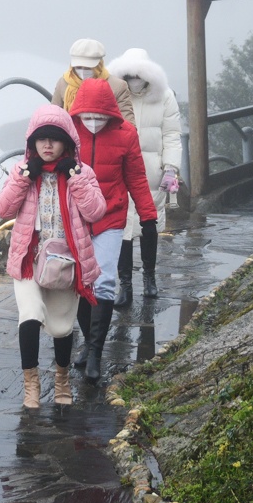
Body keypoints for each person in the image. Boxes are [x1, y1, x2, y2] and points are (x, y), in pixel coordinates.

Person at [0, 104, 105, 408]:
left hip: (65, 264)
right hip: (28, 260)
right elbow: (2, 209)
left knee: (61, 328)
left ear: (66, 142)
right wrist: (22, 179)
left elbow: (96, 211)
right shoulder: (23, 172)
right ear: (32, 143)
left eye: (53, 139)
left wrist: (77, 178)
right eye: (41, 139)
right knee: (29, 316)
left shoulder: (81, 173)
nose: (47, 145)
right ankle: (31, 385)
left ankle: (61, 379)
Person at [67, 77, 156, 381]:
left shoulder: (126, 135)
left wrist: (148, 214)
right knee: (79, 281)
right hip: (76, 218)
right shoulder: (68, 133)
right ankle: (87, 342)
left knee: (103, 280)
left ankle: (95, 352)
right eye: (87, 117)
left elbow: (137, 179)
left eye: (99, 117)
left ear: (111, 114)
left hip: (111, 218)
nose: (92, 122)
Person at [107, 48, 184, 301]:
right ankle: (125, 285)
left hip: (153, 172)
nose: (134, 79)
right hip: (121, 170)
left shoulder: (164, 96)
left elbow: (172, 134)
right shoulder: (115, 94)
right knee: (123, 227)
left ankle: (149, 277)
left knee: (149, 225)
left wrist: (171, 167)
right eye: (129, 75)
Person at [52, 39, 134, 123]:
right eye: (78, 67)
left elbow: (128, 122)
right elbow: (53, 116)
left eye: (88, 68)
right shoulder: (63, 83)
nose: (83, 71)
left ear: (99, 65)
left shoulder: (117, 86)